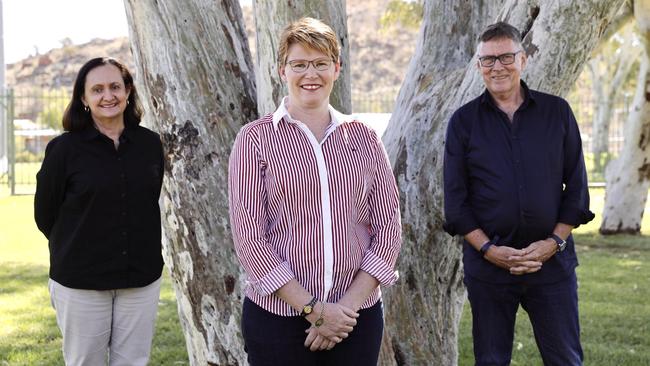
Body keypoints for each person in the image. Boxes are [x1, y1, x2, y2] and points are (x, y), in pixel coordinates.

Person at [228, 17, 402, 366]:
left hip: (356, 319)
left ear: (336, 69)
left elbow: (388, 229)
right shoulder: (254, 139)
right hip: (277, 318)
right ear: (282, 71)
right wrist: (313, 310)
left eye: (321, 63)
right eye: (299, 64)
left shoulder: (364, 138)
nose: (311, 74)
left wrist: (342, 311)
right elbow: (249, 238)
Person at [443, 22, 595, 366]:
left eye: (506, 57)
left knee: (566, 360)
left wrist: (551, 244)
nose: (497, 66)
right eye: (488, 60)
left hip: (553, 265)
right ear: (479, 65)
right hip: (489, 268)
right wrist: (490, 250)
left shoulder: (558, 113)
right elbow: (456, 203)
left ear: (523, 60)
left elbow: (577, 191)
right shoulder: (463, 123)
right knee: (492, 361)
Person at [34, 57, 165, 366]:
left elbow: (146, 201)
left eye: (115, 87)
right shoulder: (64, 150)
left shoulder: (150, 144)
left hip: (140, 278)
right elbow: (45, 215)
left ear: (128, 90)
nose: (108, 96)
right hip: (81, 281)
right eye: (97, 89)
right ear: (83, 98)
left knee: (133, 361)